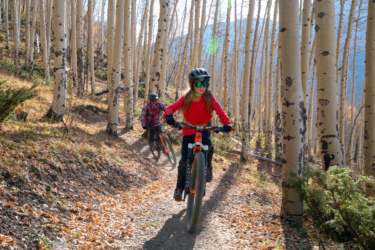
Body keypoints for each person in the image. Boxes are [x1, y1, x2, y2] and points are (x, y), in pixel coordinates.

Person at [164, 68, 232, 201]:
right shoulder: (187, 97)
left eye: (205, 84)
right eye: (199, 84)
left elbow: (219, 110)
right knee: (184, 160)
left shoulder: (209, 97)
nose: (202, 87)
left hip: (205, 128)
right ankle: (179, 187)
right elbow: (172, 107)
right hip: (189, 129)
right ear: (192, 84)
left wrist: (227, 123)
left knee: (209, 147)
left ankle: (208, 167)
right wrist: (168, 115)